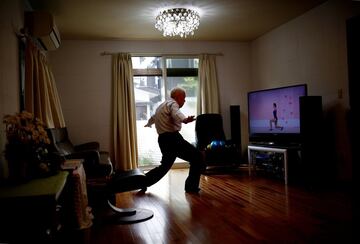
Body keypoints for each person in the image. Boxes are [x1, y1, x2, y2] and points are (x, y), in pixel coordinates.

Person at [144, 87, 206, 193]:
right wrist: (185, 120)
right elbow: (176, 113)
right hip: (173, 139)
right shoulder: (173, 104)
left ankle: (143, 181)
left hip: (163, 140)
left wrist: (149, 124)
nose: (185, 101)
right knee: (197, 157)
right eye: (183, 98)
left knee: (164, 166)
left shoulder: (161, 105)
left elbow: (153, 117)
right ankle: (191, 187)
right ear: (177, 97)